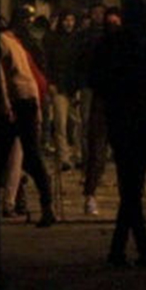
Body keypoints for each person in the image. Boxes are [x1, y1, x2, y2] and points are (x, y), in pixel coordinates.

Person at [89, 0, 146, 267]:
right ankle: (134, 248)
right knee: (132, 185)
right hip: (136, 118)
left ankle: (124, 250)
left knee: (130, 185)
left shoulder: (112, 44)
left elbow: (96, 78)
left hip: (125, 118)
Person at [0, 10, 55, 228]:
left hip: (15, 102)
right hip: (27, 100)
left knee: (2, 157)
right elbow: (29, 76)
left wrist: (4, 103)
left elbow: (0, 75)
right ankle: (47, 207)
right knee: (27, 156)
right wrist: (37, 107)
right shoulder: (14, 42)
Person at [81, 5, 119, 216]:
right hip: (102, 105)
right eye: (110, 23)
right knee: (97, 153)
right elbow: (89, 72)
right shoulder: (97, 45)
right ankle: (90, 195)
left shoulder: (127, 47)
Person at [44, 11, 82, 171]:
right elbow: (48, 62)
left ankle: (79, 155)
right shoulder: (53, 40)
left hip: (74, 88)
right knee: (60, 123)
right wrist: (50, 82)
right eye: (66, 19)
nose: (69, 23)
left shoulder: (78, 40)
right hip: (59, 87)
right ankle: (64, 157)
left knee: (79, 123)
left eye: (72, 19)